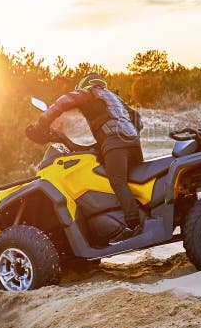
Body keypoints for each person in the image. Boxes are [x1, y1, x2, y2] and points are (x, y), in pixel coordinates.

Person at [26, 72, 146, 243]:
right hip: (132, 145)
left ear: (85, 85)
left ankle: (133, 224)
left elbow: (63, 102)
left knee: (117, 181)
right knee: (124, 178)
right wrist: (125, 137)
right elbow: (138, 119)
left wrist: (41, 123)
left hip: (115, 143)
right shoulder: (114, 99)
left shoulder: (89, 94)